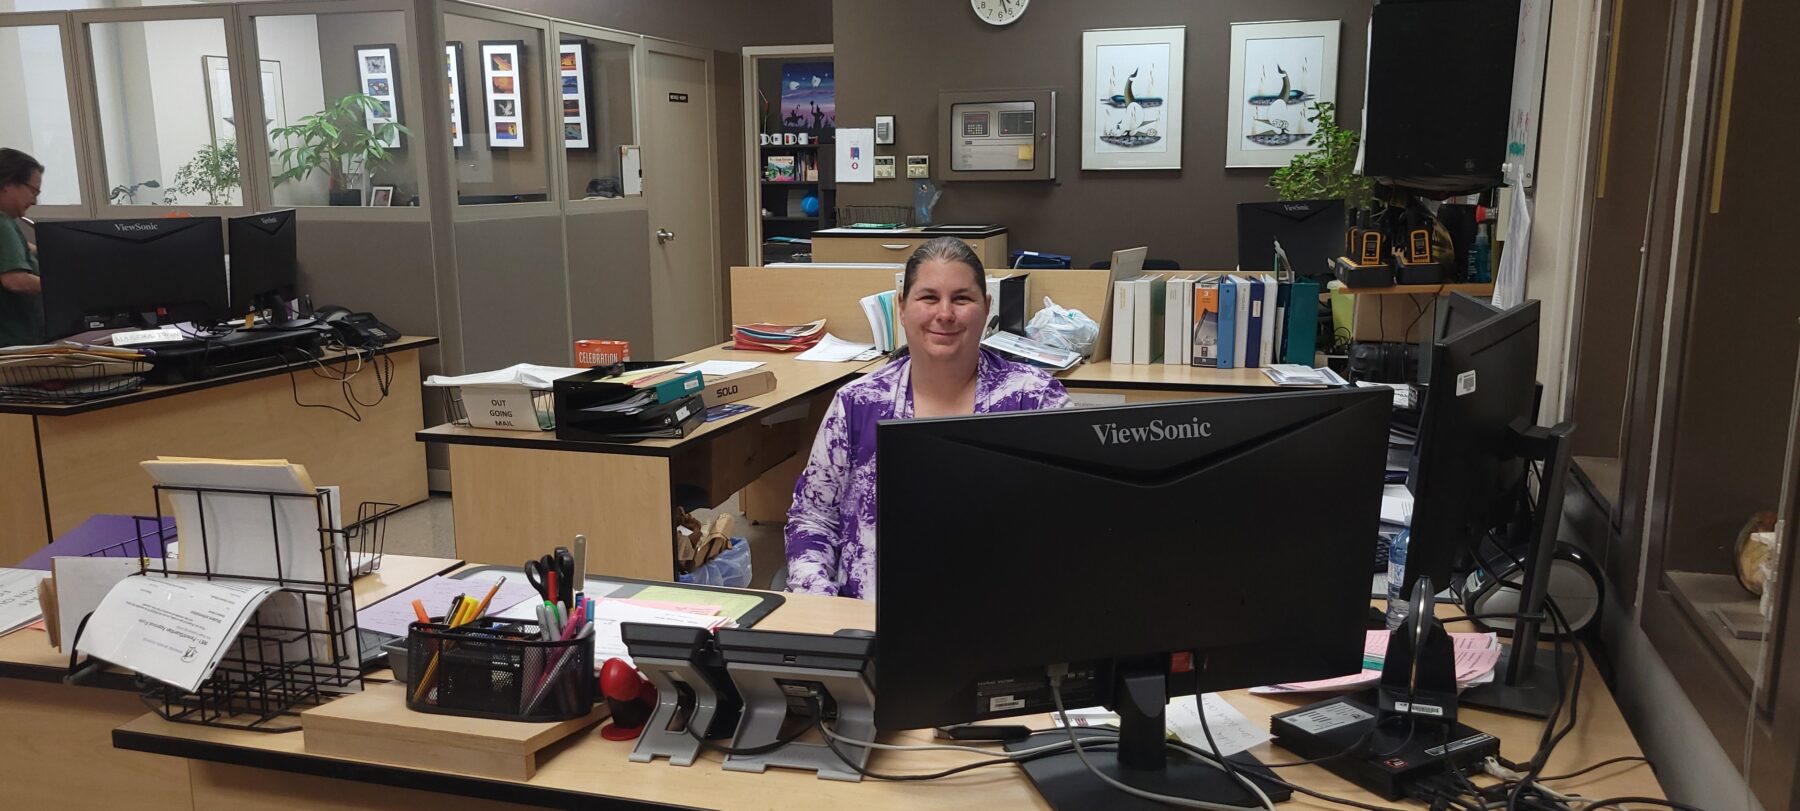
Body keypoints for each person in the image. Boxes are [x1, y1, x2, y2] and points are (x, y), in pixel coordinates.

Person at [784, 237, 1070, 599]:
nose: (945, 314)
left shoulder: (1035, 400)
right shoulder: (858, 403)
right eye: (929, 297)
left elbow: (1073, 522)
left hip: (1000, 626)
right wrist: (822, 607)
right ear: (902, 307)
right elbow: (813, 520)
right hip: (872, 625)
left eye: (962, 298)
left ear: (986, 307)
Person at [0, 148, 45, 348]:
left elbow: (19, 247)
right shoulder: (2, 222)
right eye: (32, 191)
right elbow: (15, 280)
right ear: (8, 183)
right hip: (14, 345)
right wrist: (63, 290)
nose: (34, 200)